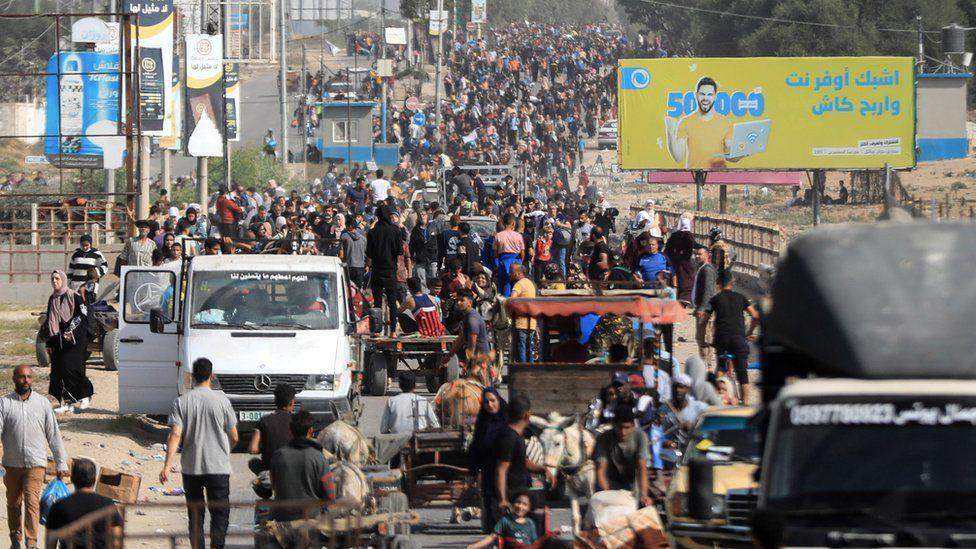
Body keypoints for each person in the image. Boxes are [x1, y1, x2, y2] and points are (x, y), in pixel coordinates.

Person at [161, 358, 239, 549]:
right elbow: (235, 436)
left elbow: (175, 435)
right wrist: (224, 450)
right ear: (211, 376)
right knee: (220, 513)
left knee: (195, 515)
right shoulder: (222, 401)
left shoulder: (181, 402)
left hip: (191, 467)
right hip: (218, 466)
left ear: (193, 377)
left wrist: (167, 465)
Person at [0, 365, 70, 549]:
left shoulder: (42, 403)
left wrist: (61, 462)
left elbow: (53, 434)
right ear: (14, 378)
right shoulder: (4, 403)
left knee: (32, 502)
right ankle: (15, 538)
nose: (26, 380)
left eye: (29, 377)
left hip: (35, 464)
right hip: (11, 464)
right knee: (13, 503)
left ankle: (31, 542)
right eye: (22, 377)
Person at [491, 395, 553, 529]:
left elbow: (520, 461)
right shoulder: (508, 438)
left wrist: (542, 469)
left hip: (519, 490)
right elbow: (501, 470)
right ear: (527, 414)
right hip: (513, 495)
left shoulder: (515, 436)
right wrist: (502, 499)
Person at [702, 271, 759, 404]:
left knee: (721, 367)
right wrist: (749, 332)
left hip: (722, 339)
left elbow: (703, 320)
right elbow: (755, 316)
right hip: (739, 338)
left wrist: (700, 339)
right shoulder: (741, 297)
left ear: (719, 284)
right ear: (732, 283)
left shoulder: (715, 299)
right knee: (742, 373)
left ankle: (717, 400)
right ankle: (745, 405)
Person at [269, 411, 335, 523]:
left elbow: (275, 487)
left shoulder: (278, 455)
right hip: (312, 518)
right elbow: (330, 495)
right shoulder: (318, 457)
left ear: (290, 431)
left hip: (283, 516)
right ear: (310, 431)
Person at [45, 459, 123, 549]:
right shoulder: (107, 504)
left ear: (73, 479)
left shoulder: (59, 506)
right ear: (94, 479)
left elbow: (50, 543)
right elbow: (117, 541)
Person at [45, 270, 94, 412]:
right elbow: (50, 320)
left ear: (64, 280)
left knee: (72, 368)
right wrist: (49, 342)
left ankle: (86, 394)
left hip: (74, 339)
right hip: (58, 340)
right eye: (53, 279)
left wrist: (72, 330)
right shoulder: (52, 298)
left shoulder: (75, 296)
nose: (55, 281)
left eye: (57, 279)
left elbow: (83, 316)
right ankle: (67, 403)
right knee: (60, 371)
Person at [666, 76, 736, 169]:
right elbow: (678, 158)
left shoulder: (725, 122)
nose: (705, 98)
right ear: (696, 95)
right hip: (694, 176)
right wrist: (670, 132)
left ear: (715, 96)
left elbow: (730, 155)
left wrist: (742, 153)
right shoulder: (685, 122)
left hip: (719, 177)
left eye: (709, 94)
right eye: (702, 94)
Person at [594, 406, 652, 508]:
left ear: (633, 426)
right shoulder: (603, 439)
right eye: (619, 427)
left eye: (627, 428)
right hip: (609, 482)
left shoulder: (640, 437)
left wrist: (644, 495)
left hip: (632, 484)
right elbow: (600, 471)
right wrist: (607, 496)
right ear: (614, 425)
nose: (623, 432)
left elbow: (642, 468)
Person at [468, 388, 508, 531]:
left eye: (493, 401)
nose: (490, 405)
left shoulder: (509, 420)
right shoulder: (483, 422)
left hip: (510, 475)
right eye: (486, 402)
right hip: (489, 473)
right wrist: (472, 472)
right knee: (491, 509)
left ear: (499, 400)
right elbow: (476, 448)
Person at [366, 204, 404, 332]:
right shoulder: (395, 231)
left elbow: (369, 253)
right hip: (390, 270)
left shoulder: (372, 232)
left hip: (377, 270)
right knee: (392, 302)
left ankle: (377, 331)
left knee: (377, 303)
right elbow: (400, 251)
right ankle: (393, 331)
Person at [247, 384, 295, 475]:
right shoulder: (297, 420)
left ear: (275, 401)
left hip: (270, 468)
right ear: (292, 402)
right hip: (293, 468)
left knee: (252, 462)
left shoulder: (264, 420)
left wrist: (265, 447)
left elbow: (252, 449)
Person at [467, 491, 539, 549]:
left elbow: (535, 543)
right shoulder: (505, 520)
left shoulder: (530, 523)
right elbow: (492, 536)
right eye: (518, 502)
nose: (520, 506)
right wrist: (475, 546)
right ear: (513, 503)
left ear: (529, 508)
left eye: (525, 504)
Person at [444, 288, 491, 366]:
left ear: (470, 302)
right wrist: (449, 356)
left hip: (479, 360)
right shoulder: (466, 316)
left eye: (462, 300)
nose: (458, 303)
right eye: (457, 300)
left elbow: (472, 344)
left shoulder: (472, 319)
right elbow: (461, 338)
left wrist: (468, 363)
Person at [692, 244, 718, 358]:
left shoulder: (707, 270)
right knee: (700, 337)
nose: (697, 256)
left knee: (704, 337)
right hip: (702, 308)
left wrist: (702, 308)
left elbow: (708, 291)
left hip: (706, 310)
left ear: (707, 255)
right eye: (696, 254)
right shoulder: (702, 268)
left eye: (700, 254)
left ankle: (706, 365)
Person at [508, 264, 536, 364]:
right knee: (529, 351)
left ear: (519, 273)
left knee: (521, 352)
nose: (510, 274)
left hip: (521, 323)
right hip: (531, 323)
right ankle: (531, 374)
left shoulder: (519, 284)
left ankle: (523, 375)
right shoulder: (530, 284)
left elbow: (512, 299)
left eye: (512, 272)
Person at [665, 213, 696, 303]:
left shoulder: (675, 234)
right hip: (684, 262)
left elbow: (668, 248)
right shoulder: (687, 235)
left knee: (678, 278)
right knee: (687, 279)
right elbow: (690, 247)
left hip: (674, 260)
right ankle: (684, 298)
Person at [493, 213, 525, 297]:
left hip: (503, 261)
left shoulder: (498, 236)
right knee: (517, 282)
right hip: (516, 261)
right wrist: (521, 262)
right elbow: (522, 252)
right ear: (513, 224)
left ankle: (505, 302)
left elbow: (495, 253)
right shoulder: (518, 236)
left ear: (503, 223)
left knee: (504, 283)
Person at [340, 217, 367, 288]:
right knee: (358, 290)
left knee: (348, 289)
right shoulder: (363, 238)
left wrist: (341, 264)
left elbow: (341, 253)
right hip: (360, 267)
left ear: (350, 226)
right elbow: (367, 254)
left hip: (348, 266)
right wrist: (366, 266)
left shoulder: (344, 236)